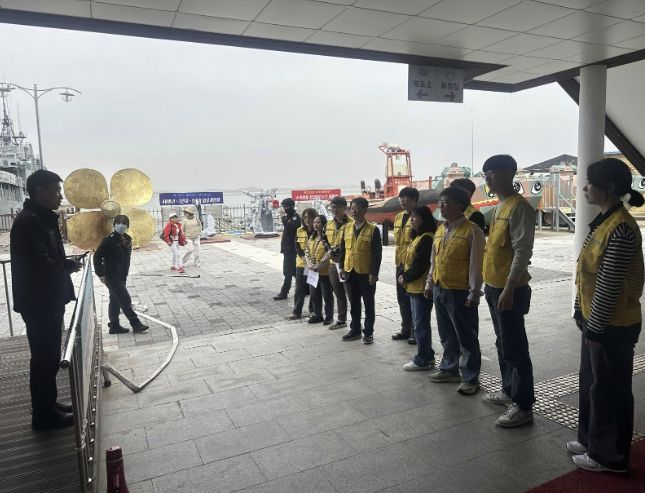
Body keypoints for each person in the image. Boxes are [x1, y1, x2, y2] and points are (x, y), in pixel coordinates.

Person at [568, 158, 644, 473]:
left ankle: (610, 456)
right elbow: (587, 273)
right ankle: (590, 440)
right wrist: (579, 308)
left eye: (589, 183)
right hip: (597, 319)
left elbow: (609, 284)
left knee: (610, 389)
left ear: (609, 187)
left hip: (613, 324)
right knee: (592, 382)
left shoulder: (621, 228)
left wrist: (596, 328)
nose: (585, 188)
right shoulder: (604, 221)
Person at [10, 169, 81, 430]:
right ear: (40, 191)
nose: (60, 196)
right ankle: (43, 416)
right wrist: (68, 265)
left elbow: (47, 260)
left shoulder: (39, 219)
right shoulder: (30, 223)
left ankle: (48, 405)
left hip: (45, 299)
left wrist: (65, 264)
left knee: (48, 357)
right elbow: (41, 265)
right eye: (56, 190)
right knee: (44, 358)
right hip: (40, 302)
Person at [480, 154, 536, 428]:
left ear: (507, 173)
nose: (487, 178)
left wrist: (510, 288)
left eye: (491, 172)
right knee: (503, 343)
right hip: (494, 287)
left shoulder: (519, 208)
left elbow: (522, 251)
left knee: (515, 347)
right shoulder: (500, 205)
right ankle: (508, 390)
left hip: (509, 290)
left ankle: (523, 406)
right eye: (485, 174)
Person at [425, 187, 485, 395]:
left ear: (460, 206)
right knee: (446, 334)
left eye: (445, 203)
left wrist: (474, 292)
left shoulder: (473, 231)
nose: (441, 207)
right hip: (440, 287)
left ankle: (470, 378)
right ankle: (450, 369)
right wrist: (429, 283)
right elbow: (434, 260)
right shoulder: (440, 229)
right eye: (440, 203)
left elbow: (476, 265)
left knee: (466, 337)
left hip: (460, 292)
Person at [94, 215, 150, 335]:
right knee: (125, 299)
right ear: (114, 225)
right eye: (118, 223)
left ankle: (114, 326)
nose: (121, 226)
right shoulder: (108, 240)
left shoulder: (128, 239)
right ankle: (136, 324)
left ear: (127, 226)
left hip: (122, 275)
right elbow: (97, 256)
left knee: (114, 300)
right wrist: (101, 274)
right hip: (111, 276)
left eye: (124, 223)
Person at [339, 197, 382, 344]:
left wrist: (374, 273)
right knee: (354, 303)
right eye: (352, 208)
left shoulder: (373, 229)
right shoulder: (346, 228)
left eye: (357, 208)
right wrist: (341, 267)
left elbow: (377, 254)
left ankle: (368, 333)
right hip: (350, 271)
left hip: (366, 273)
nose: (354, 211)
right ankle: (355, 330)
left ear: (365, 210)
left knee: (368, 304)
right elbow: (343, 250)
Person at [398, 205, 436, 370]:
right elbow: (408, 260)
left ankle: (423, 359)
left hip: (421, 288)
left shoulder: (427, 238)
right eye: (411, 217)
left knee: (420, 324)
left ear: (424, 219)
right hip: (413, 287)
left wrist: (405, 277)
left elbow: (420, 264)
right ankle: (428, 354)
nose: (412, 220)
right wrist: (403, 274)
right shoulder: (417, 237)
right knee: (419, 323)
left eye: (416, 217)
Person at [392, 187, 419, 344]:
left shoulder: (419, 216)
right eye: (400, 198)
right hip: (400, 262)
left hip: (413, 262)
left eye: (405, 198)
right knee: (402, 298)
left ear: (414, 199)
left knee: (413, 298)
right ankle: (405, 329)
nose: (402, 200)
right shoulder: (398, 217)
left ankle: (415, 332)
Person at [326, 196, 352, 330]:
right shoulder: (329, 224)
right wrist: (330, 253)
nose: (335, 210)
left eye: (338, 208)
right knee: (338, 292)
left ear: (344, 208)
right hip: (333, 263)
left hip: (347, 263)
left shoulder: (351, 223)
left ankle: (356, 321)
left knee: (351, 293)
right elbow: (325, 241)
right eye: (333, 207)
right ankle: (341, 319)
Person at [305, 215, 334, 325]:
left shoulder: (327, 238)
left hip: (324, 272)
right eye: (314, 222)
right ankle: (318, 315)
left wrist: (319, 266)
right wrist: (310, 264)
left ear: (323, 224)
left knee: (327, 295)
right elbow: (307, 252)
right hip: (312, 272)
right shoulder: (312, 237)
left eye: (318, 222)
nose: (315, 225)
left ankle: (329, 316)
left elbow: (329, 253)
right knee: (314, 295)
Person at [289, 208, 316, 320]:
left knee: (313, 289)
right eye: (305, 217)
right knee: (299, 289)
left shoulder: (318, 230)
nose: (307, 219)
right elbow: (297, 246)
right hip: (302, 264)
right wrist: (304, 257)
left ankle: (313, 311)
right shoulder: (299, 230)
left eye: (310, 217)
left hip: (314, 265)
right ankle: (296, 312)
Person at [274, 198, 301, 300]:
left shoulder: (295, 217)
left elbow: (290, 226)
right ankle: (305, 288)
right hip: (287, 247)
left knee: (287, 272)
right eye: (283, 206)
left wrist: (283, 217)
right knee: (294, 271)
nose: (284, 209)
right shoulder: (289, 217)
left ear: (292, 206)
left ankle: (284, 292)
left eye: (286, 206)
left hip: (291, 248)